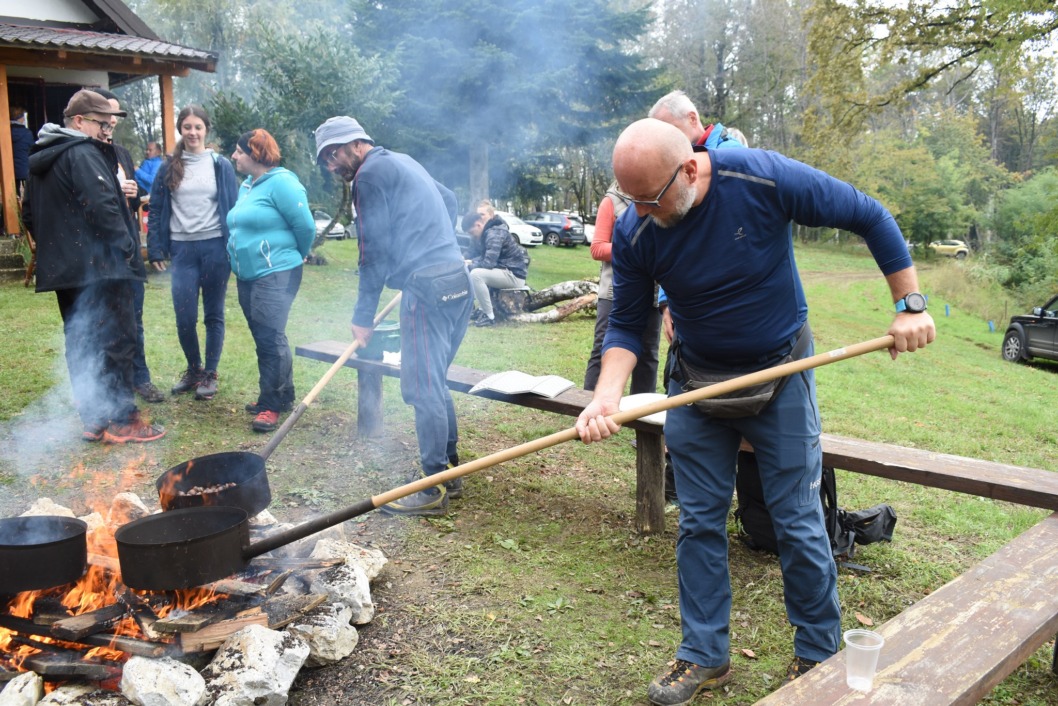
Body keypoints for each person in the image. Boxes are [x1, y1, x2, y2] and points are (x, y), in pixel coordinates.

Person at [575, 118, 935, 704]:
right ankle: (703, 653)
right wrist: (606, 396)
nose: (640, 212)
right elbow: (624, 324)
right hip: (695, 378)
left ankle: (819, 653)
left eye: (651, 198)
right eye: (630, 200)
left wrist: (909, 304)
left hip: (780, 373)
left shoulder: (761, 178)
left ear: (690, 167)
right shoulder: (641, 228)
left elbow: (870, 214)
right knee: (697, 522)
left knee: (796, 517)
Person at [315, 115, 470, 516]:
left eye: (332, 157)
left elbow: (373, 251)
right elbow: (449, 199)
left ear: (351, 145)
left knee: (421, 385)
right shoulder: (402, 160)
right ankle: (450, 473)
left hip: (427, 290)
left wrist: (363, 314)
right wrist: (435, 243)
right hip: (456, 279)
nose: (332, 167)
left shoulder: (368, 177)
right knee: (434, 380)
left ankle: (432, 485)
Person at [22, 89, 165, 443]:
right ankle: (121, 420)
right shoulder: (82, 153)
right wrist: (130, 248)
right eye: (102, 123)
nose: (107, 131)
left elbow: (28, 214)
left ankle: (94, 418)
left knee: (83, 341)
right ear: (79, 122)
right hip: (102, 267)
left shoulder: (42, 157)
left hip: (67, 271)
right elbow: (103, 207)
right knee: (117, 338)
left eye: (110, 124)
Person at [147, 105, 238, 401]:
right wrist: (156, 247)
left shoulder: (219, 164)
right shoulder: (167, 167)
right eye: (187, 126)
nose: (193, 132)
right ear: (180, 130)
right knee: (184, 316)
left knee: (213, 313)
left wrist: (235, 245)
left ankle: (210, 373)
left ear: (206, 130)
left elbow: (234, 207)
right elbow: (157, 208)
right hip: (182, 250)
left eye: (198, 127)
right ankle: (193, 369)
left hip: (215, 248)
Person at [227, 129, 315, 432]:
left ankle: (271, 404)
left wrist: (295, 254)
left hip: (276, 272)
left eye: (238, 151)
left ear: (254, 153)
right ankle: (281, 393)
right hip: (247, 274)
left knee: (269, 336)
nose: (234, 156)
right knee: (265, 335)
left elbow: (305, 226)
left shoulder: (283, 183)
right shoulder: (248, 186)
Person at [93, 88, 165, 404]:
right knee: (103, 322)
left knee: (134, 318)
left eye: (117, 114)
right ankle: (104, 389)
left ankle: (140, 378)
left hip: (129, 249)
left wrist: (133, 193)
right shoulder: (83, 153)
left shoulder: (122, 154)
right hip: (98, 254)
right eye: (107, 113)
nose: (113, 120)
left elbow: (131, 201)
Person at [583, 183, 661, 394]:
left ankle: (644, 420)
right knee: (602, 351)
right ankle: (587, 407)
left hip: (652, 292)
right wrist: (636, 248)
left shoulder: (658, 195)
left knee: (648, 356)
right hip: (613, 292)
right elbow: (598, 248)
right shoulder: (611, 200)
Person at [460, 208, 528, 327]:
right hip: (504, 270)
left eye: (471, 232)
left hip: (514, 276)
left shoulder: (494, 234)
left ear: (478, 224)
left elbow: (488, 263)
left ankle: (489, 316)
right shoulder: (488, 232)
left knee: (476, 275)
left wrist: (470, 264)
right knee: (476, 271)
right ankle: (481, 310)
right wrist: (470, 261)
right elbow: (484, 258)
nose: (472, 236)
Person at [648, 89, 747, 151]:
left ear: (692, 119)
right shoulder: (685, 155)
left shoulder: (729, 152)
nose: (666, 139)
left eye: (671, 130)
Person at [10, 106, 32, 200]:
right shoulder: (27, 133)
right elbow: (33, 150)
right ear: (21, 117)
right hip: (24, 170)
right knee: (27, 198)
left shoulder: (5, 132)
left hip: (9, 171)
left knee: (12, 197)